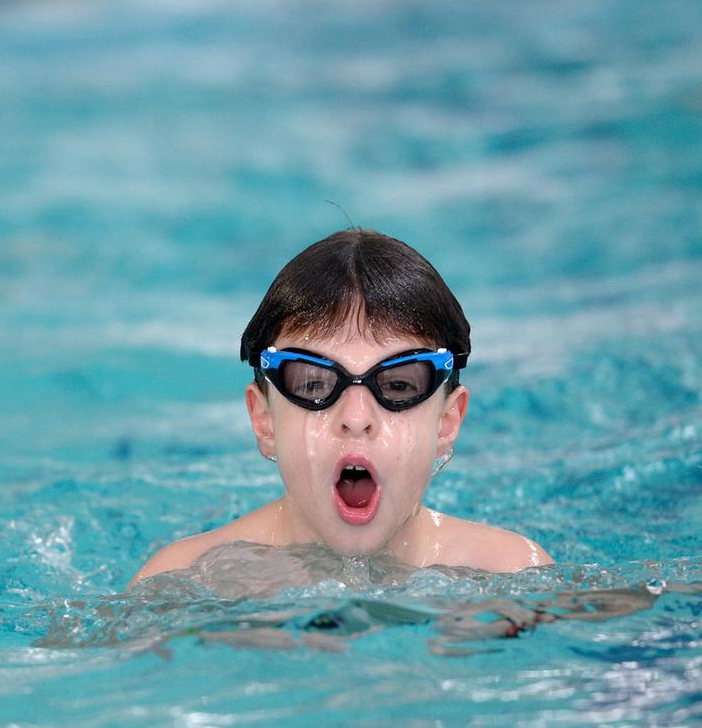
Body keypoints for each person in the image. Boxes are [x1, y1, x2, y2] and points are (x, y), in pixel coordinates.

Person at [132, 229, 551, 586]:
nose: (355, 418)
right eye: (314, 384)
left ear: (446, 423)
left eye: (398, 384)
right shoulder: (187, 581)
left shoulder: (512, 576)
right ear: (264, 421)